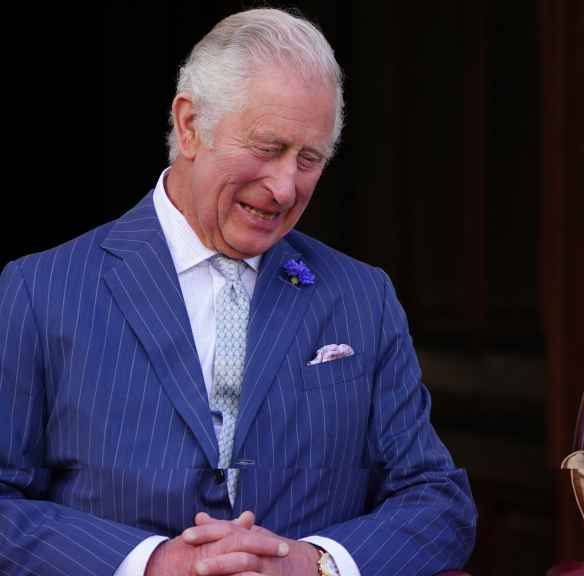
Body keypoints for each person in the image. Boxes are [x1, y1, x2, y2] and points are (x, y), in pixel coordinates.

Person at [0, 9, 475, 576]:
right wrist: (152, 564)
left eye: (309, 159)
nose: (284, 187)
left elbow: (439, 503)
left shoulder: (363, 298)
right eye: (267, 146)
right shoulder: (41, 289)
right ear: (190, 125)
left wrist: (317, 564)